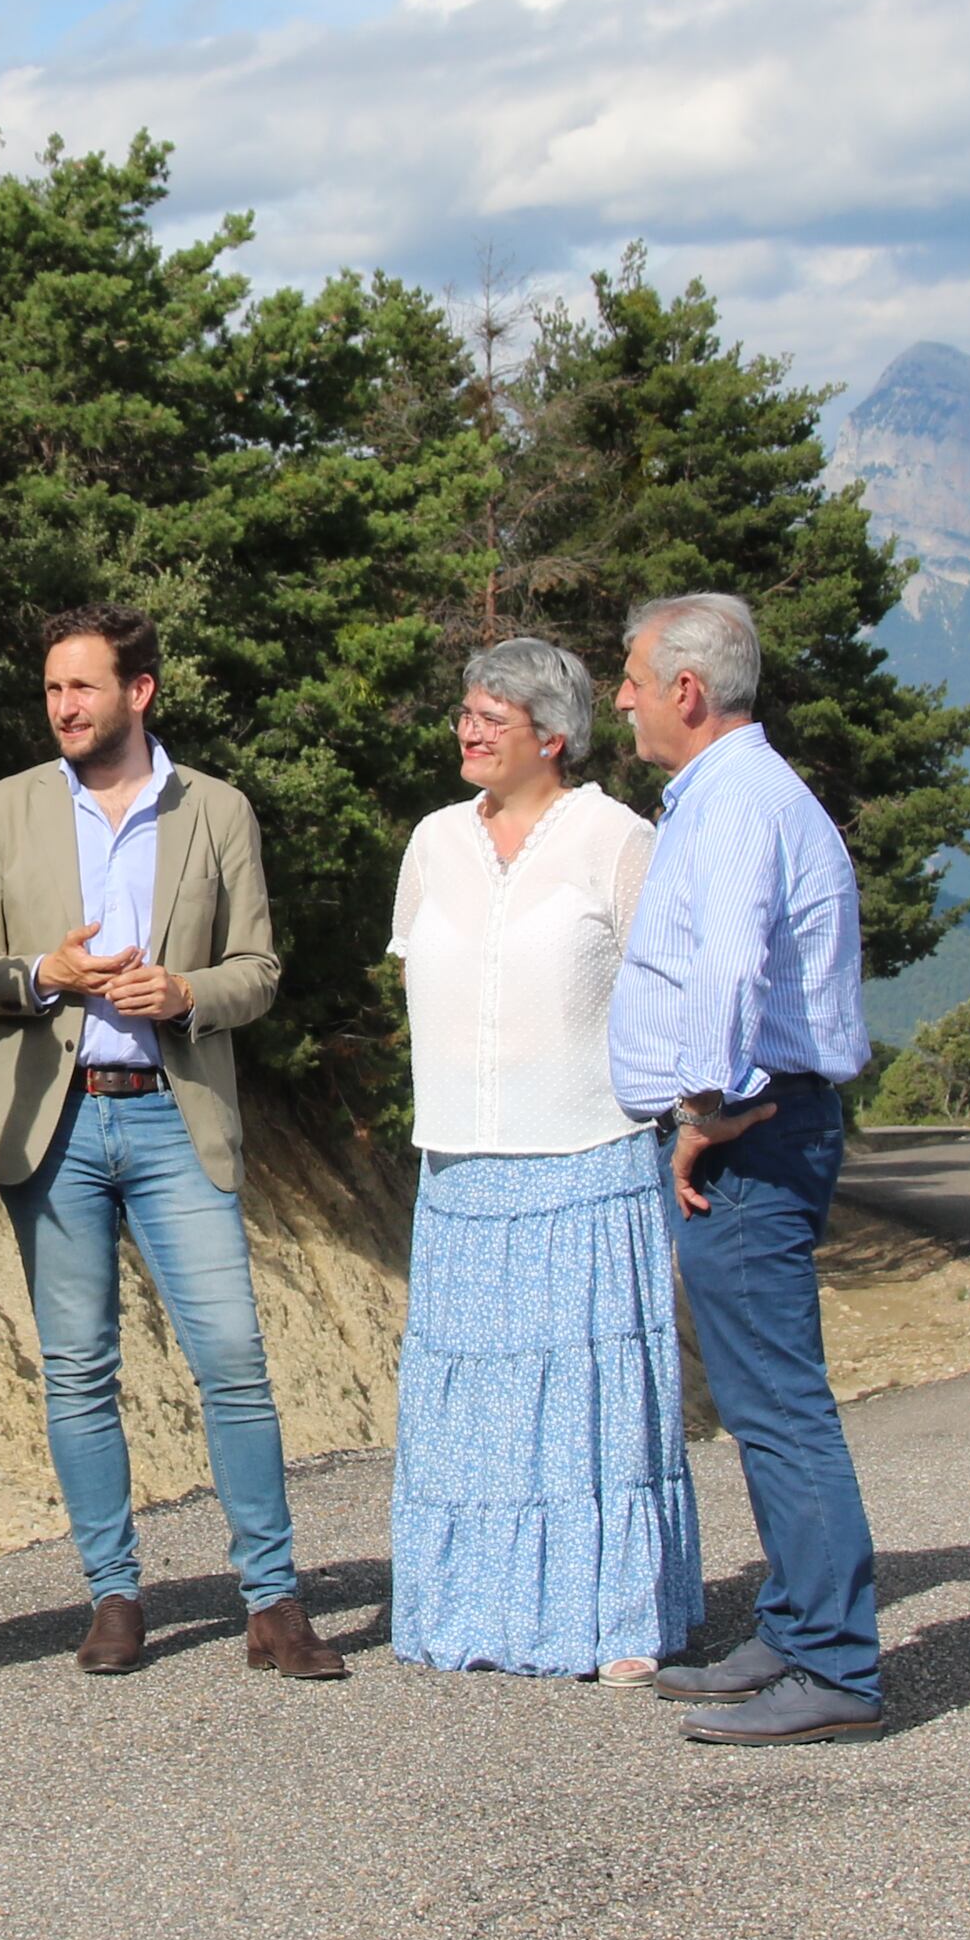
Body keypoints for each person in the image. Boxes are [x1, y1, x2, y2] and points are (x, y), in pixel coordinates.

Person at [0, 604, 342, 1679]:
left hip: (174, 1114)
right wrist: (38, 977)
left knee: (233, 1363)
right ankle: (112, 1596)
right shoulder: (3, 809)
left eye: (81, 687)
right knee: (77, 1371)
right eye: (51, 689)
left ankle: (273, 1602)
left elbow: (255, 970)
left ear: (138, 692)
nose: (61, 706)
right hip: (52, 1122)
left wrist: (183, 992)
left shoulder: (215, 809)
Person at [382, 636, 699, 1680]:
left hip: (588, 1163)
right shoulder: (430, 842)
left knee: (585, 1408)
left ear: (551, 736)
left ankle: (608, 1624)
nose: (467, 730)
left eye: (491, 716)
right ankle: (470, 1613)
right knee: (471, 1406)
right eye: (465, 712)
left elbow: (667, 995)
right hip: (462, 1173)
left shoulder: (618, 838)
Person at [608, 589, 889, 1743]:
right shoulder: (735, 796)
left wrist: (707, 1108)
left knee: (776, 1408)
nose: (617, 697)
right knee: (765, 1401)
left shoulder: (732, 807)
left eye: (629, 677)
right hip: (763, 1123)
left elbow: (726, 972)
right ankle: (793, 1626)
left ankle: (833, 1664)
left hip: (748, 1134)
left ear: (686, 690)